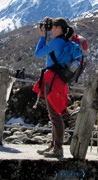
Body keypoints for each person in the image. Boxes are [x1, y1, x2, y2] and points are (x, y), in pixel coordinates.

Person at [32, 17, 74, 158]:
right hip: (60, 81)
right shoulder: (65, 41)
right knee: (55, 114)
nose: (51, 30)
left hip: (53, 81)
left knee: (55, 115)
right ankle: (53, 146)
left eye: (53, 27)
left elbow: (38, 54)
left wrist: (42, 37)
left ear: (60, 28)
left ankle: (58, 148)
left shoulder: (56, 42)